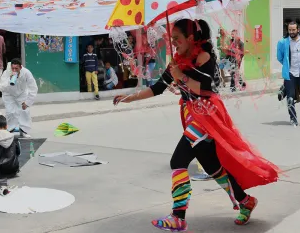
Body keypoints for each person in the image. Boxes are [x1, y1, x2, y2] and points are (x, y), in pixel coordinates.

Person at [114, 19, 279, 232]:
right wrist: (129, 98)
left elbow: (204, 88)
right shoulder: (176, 60)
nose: (174, 44)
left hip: (206, 115)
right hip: (191, 115)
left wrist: (180, 76)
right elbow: (157, 88)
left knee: (178, 160)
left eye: (177, 39)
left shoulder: (204, 57)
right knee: (212, 166)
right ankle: (245, 200)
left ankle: (178, 216)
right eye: (171, 40)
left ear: (191, 38)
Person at [0, 59, 38, 138]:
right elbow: (1, 88)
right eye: (12, 68)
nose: (14, 70)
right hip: (9, 94)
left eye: (16, 68)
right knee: (10, 112)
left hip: (22, 93)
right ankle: (10, 130)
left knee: (24, 112)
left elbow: (33, 88)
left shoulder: (26, 73)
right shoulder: (6, 73)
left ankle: (24, 130)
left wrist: (27, 102)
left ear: (20, 67)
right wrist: (9, 81)